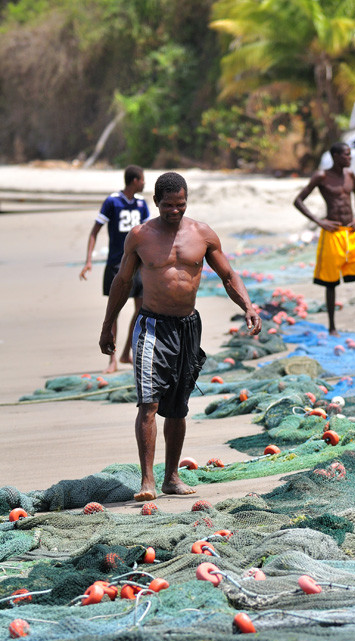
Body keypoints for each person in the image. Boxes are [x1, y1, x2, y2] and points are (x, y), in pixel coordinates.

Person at [99, 171, 261, 502]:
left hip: (187, 327)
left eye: (181, 204)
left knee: (178, 408)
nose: (175, 211)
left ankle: (171, 476)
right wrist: (107, 325)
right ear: (156, 202)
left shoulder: (202, 234)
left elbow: (228, 275)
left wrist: (247, 305)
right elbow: (122, 282)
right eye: (169, 205)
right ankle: (148, 481)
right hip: (152, 327)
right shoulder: (140, 236)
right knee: (148, 403)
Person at [293, 142, 355, 336]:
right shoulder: (322, 176)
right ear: (336, 156)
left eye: (350, 154)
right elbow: (298, 201)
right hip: (332, 234)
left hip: (352, 233)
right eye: (346, 155)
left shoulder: (350, 175)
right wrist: (319, 221)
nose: (350, 158)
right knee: (331, 282)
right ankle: (332, 327)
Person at [80, 165, 150, 372]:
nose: (145, 183)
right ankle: (111, 359)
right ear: (135, 181)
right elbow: (95, 231)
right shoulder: (113, 201)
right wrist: (88, 261)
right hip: (116, 264)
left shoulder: (141, 204)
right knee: (114, 311)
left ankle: (126, 351)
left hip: (138, 264)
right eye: (143, 179)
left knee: (141, 309)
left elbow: (149, 234)